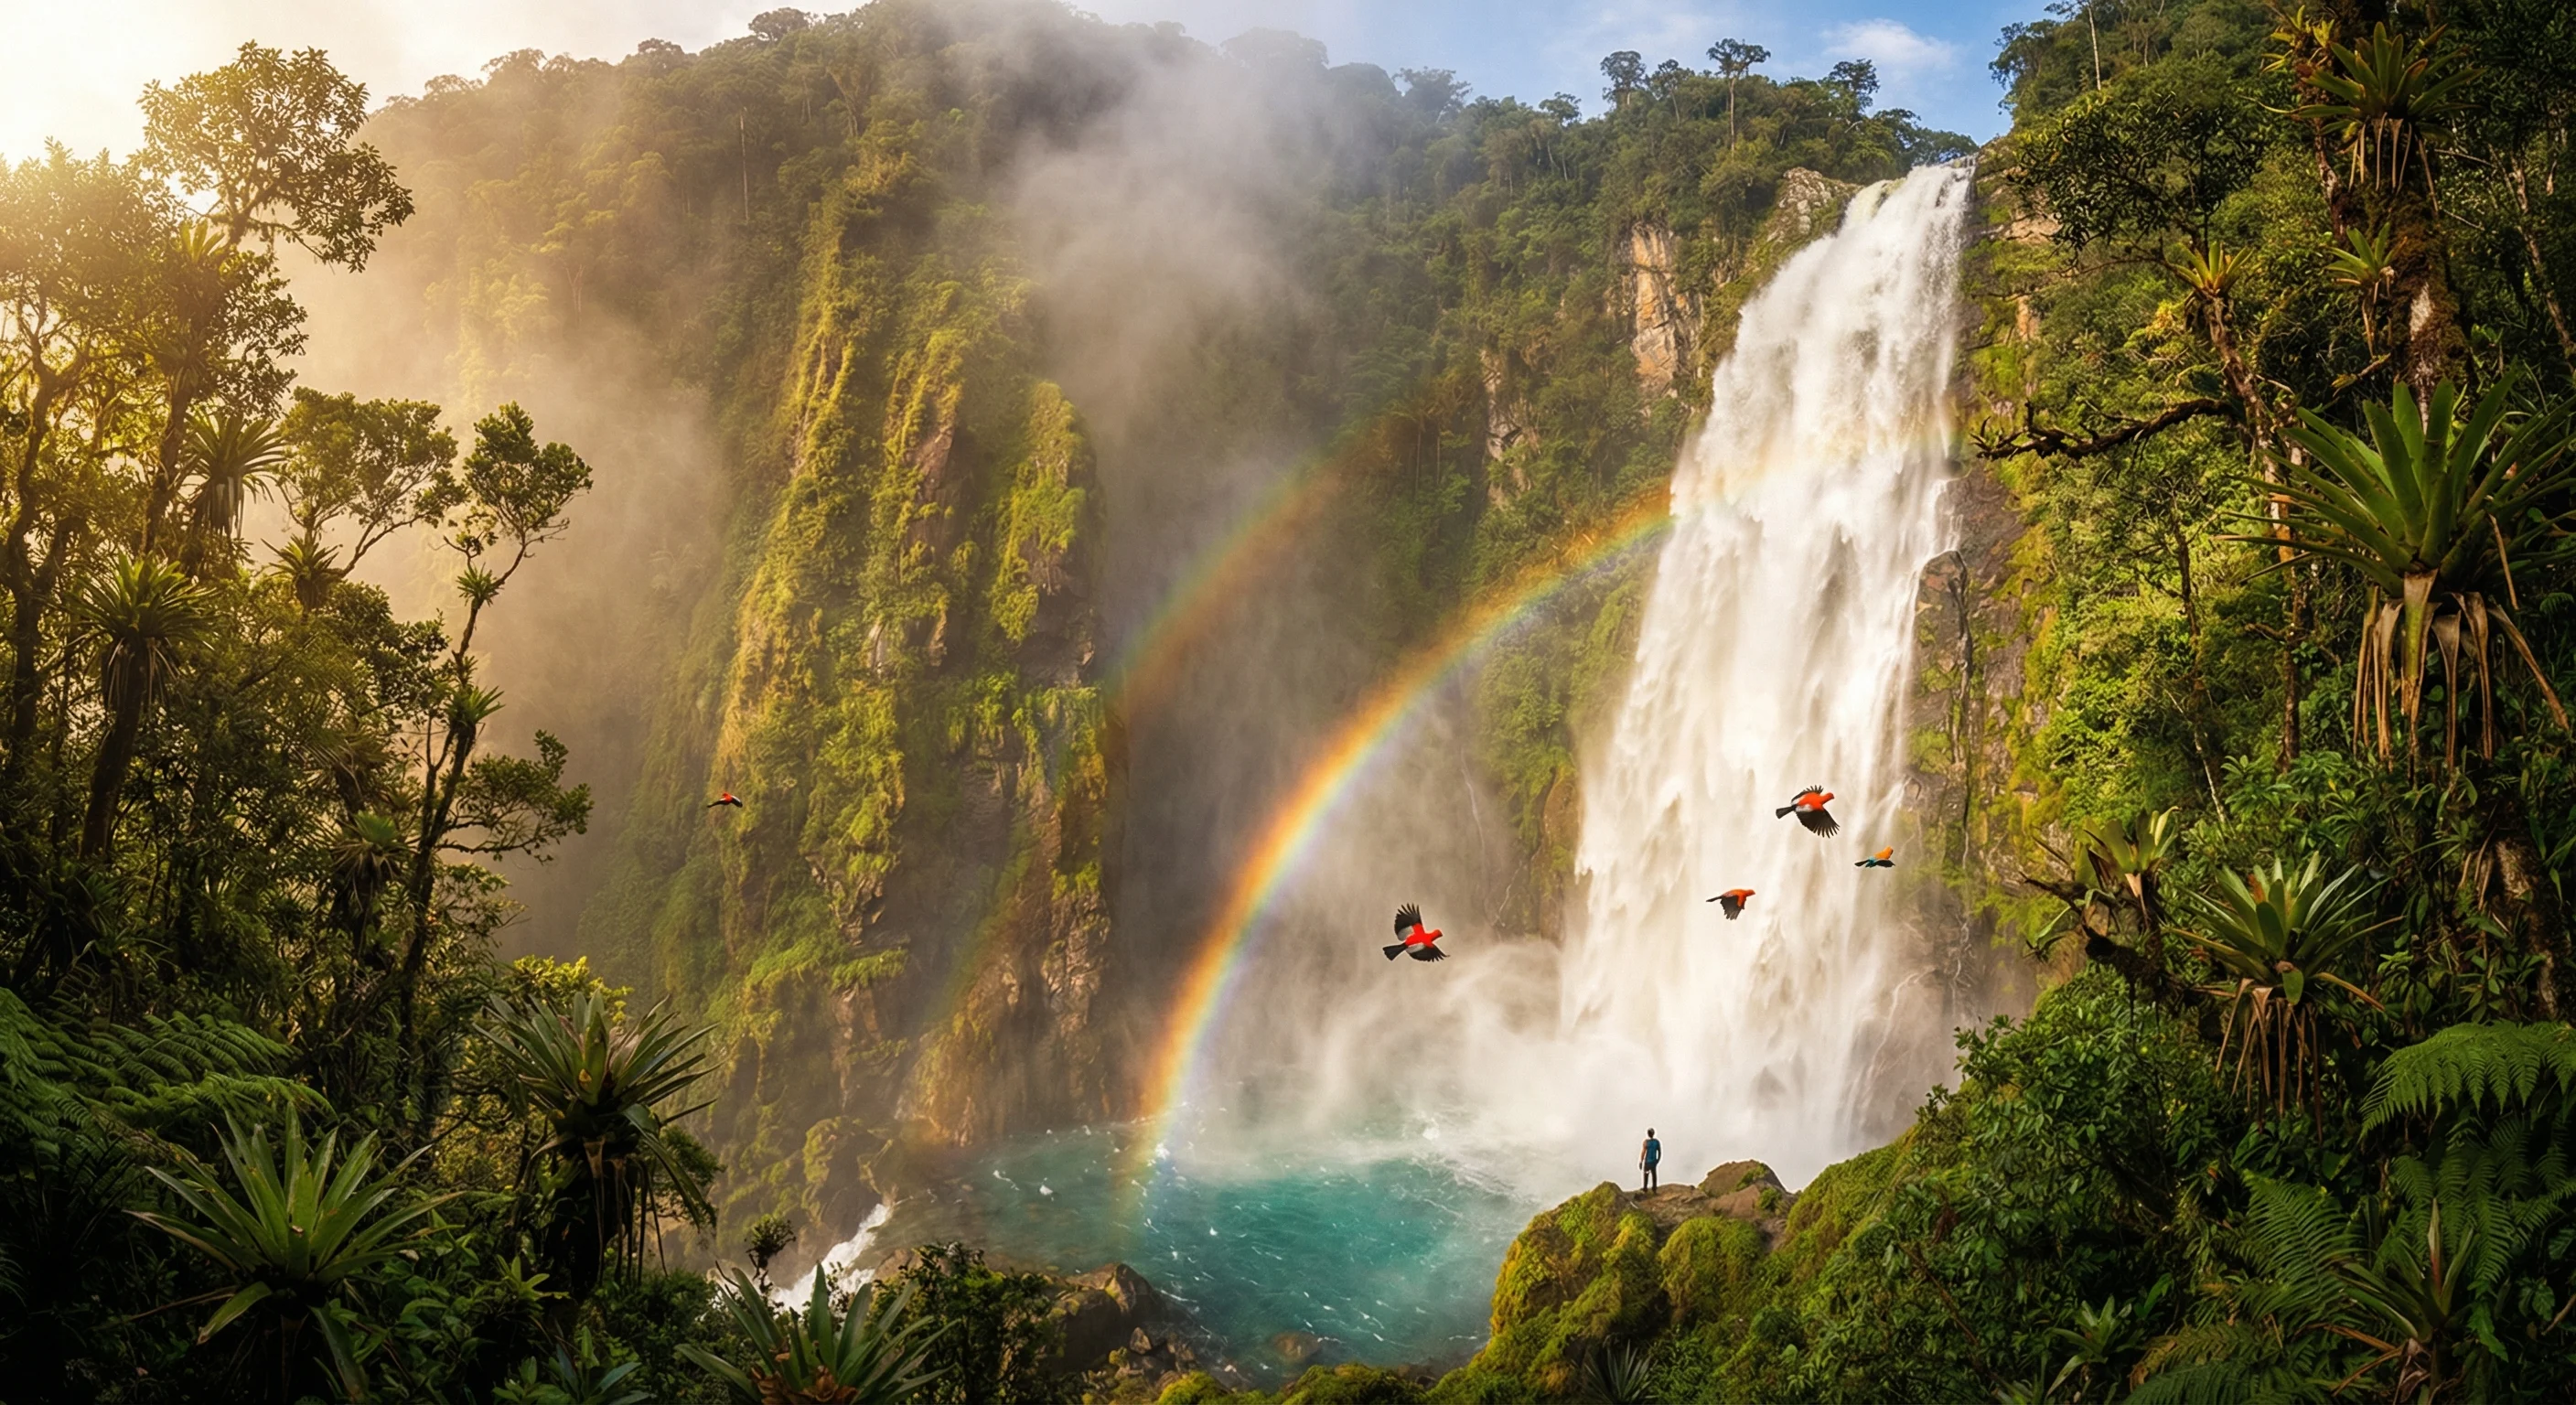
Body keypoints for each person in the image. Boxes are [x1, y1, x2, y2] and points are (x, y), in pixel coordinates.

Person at [1639, 1127, 1661, 1192]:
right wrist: (1658, 1160)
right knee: (1654, 1175)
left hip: (1647, 1162)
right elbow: (1659, 1151)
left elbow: (1643, 1152)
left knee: (1646, 1174)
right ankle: (1654, 1188)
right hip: (1653, 1161)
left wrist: (1641, 1161)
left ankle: (1645, 1188)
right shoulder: (1656, 1142)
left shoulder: (1646, 1142)